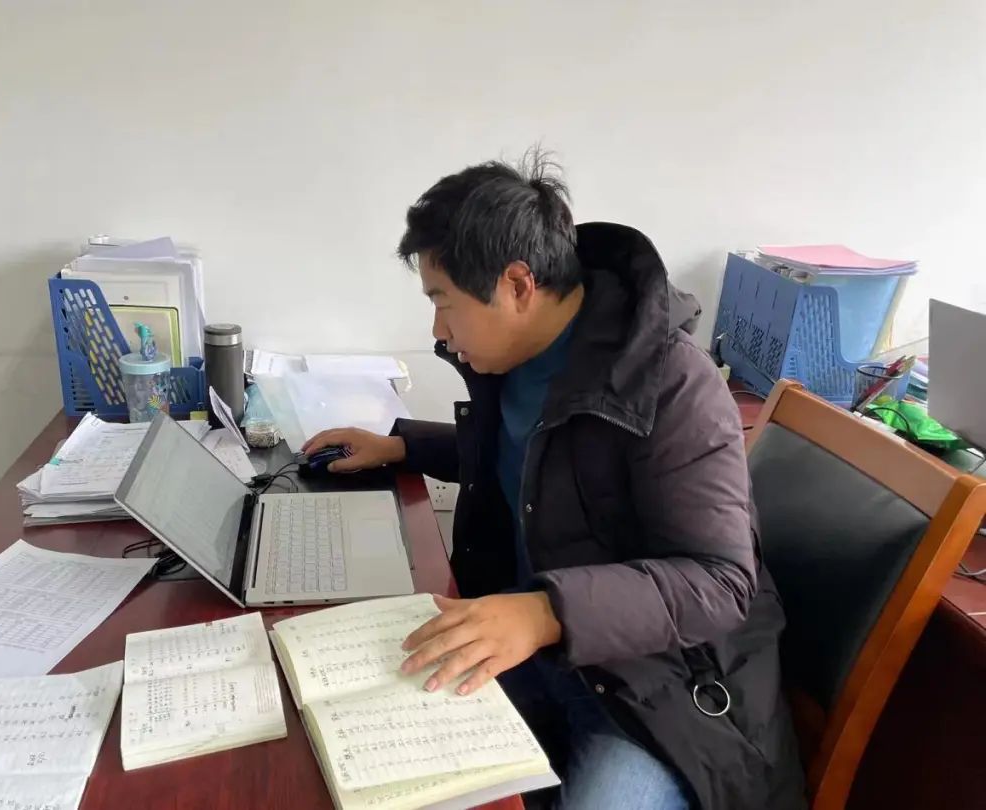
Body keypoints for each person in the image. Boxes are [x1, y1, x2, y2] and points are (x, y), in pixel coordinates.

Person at [303, 152, 805, 810]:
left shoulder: (673, 383)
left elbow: (720, 581)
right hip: (533, 651)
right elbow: (538, 463)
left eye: (443, 302)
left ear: (518, 285)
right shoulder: (515, 355)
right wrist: (403, 446)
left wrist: (546, 612)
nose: (438, 331)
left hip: (653, 693)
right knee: (361, 749)